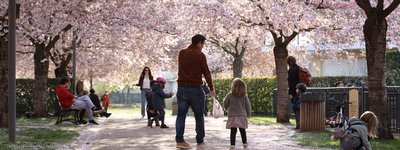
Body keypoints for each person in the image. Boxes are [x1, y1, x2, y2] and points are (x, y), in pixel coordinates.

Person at [175, 34, 216, 149]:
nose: (203, 46)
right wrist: (211, 89)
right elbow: (206, 73)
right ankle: (200, 141)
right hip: (195, 89)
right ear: (199, 43)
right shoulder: (200, 55)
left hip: (182, 88)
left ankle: (179, 140)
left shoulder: (181, 53)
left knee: (181, 115)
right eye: (203, 44)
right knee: (199, 116)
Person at [223, 78, 251, 149]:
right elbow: (248, 106)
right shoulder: (244, 96)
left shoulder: (230, 95)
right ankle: (244, 143)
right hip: (242, 115)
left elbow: (225, 102)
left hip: (232, 116)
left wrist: (226, 108)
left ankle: (232, 145)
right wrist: (248, 114)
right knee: (242, 130)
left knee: (233, 131)